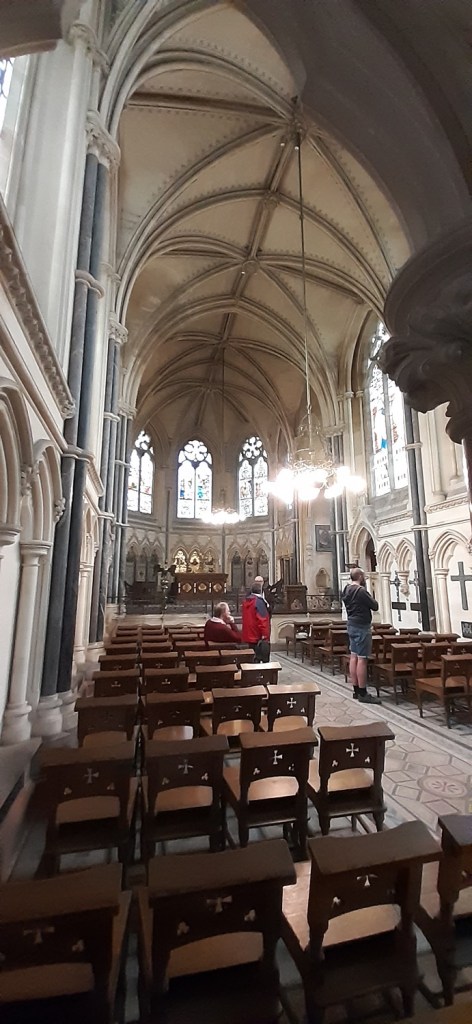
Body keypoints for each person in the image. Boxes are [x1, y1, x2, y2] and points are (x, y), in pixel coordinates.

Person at [342, 567, 381, 704]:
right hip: (361, 626)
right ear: (360, 577)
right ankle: (363, 692)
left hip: (351, 624)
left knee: (354, 657)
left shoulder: (346, 589)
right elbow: (375, 606)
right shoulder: (361, 591)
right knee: (362, 659)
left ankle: (356, 690)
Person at [242, 582, 270, 661]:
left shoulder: (246, 600)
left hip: (248, 634)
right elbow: (262, 619)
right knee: (259, 659)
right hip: (257, 636)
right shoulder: (259, 602)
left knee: (251, 659)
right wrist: (265, 635)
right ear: (260, 590)